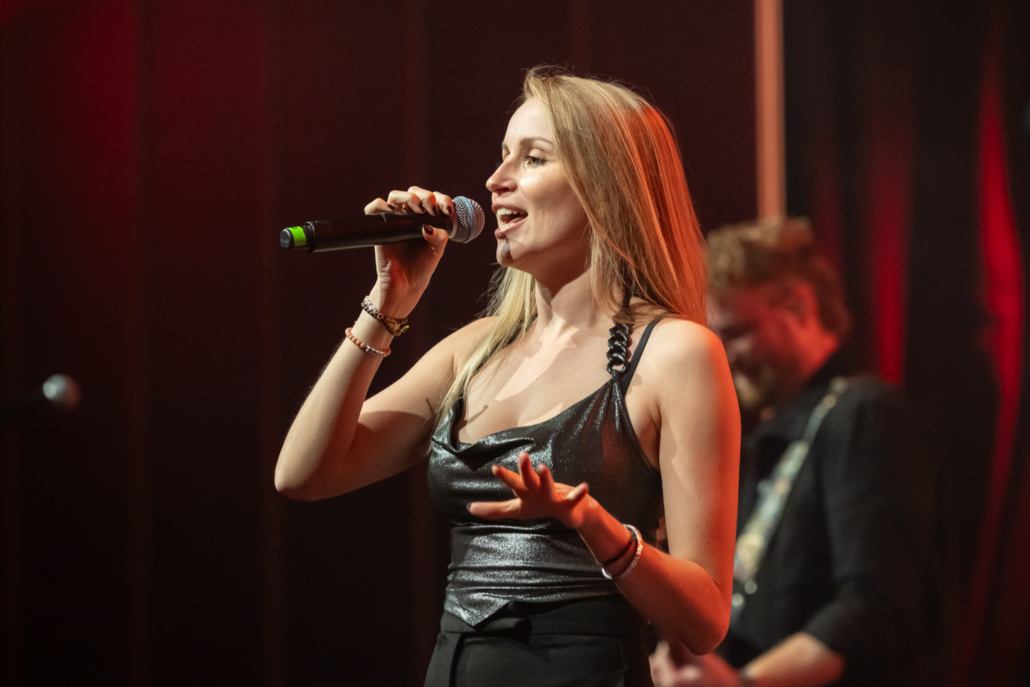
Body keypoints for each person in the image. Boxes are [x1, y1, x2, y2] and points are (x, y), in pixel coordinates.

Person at [274, 66, 741, 686]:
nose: (495, 181)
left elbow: (705, 618)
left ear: (606, 187)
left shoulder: (675, 354)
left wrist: (594, 524)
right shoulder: (475, 350)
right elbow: (304, 473)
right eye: (502, 156)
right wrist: (387, 302)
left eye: (533, 158)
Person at [650, 218, 934, 687]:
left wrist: (742, 684)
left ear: (800, 306)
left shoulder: (863, 414)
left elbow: (875, 608)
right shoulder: (767, 439)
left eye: (737, 332)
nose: (724, 356)